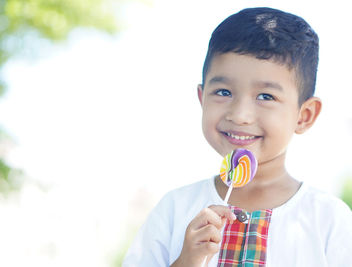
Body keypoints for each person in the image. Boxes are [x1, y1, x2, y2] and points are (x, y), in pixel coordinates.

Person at [122, 7, 352, 267]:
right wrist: (187, 261)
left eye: (266, 96)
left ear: (304, 116)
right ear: (202, 98)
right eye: (223, 92)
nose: (240, 115)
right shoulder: (175, 209)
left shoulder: (329, 219)